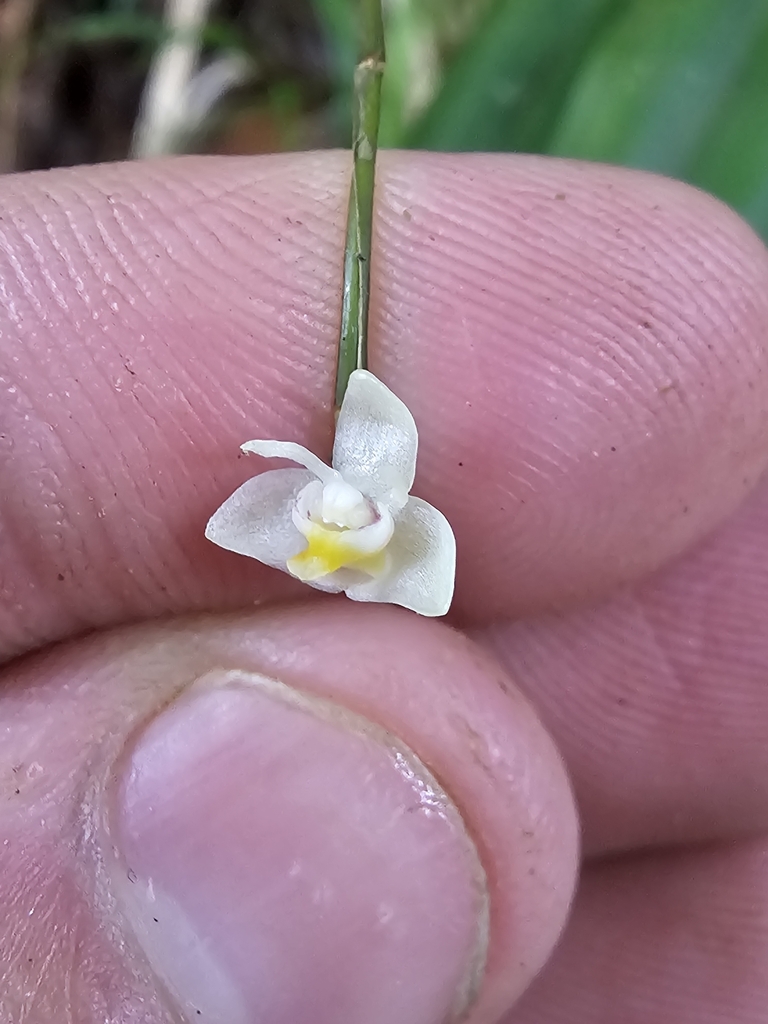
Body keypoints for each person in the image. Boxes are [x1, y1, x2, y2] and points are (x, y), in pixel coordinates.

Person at [0, 150, 766, 1024]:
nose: (331, 520)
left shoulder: (411, 536)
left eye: (343, 518)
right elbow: (246, 526)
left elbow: (415, 573)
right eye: (332, 516)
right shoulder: (298, 510)